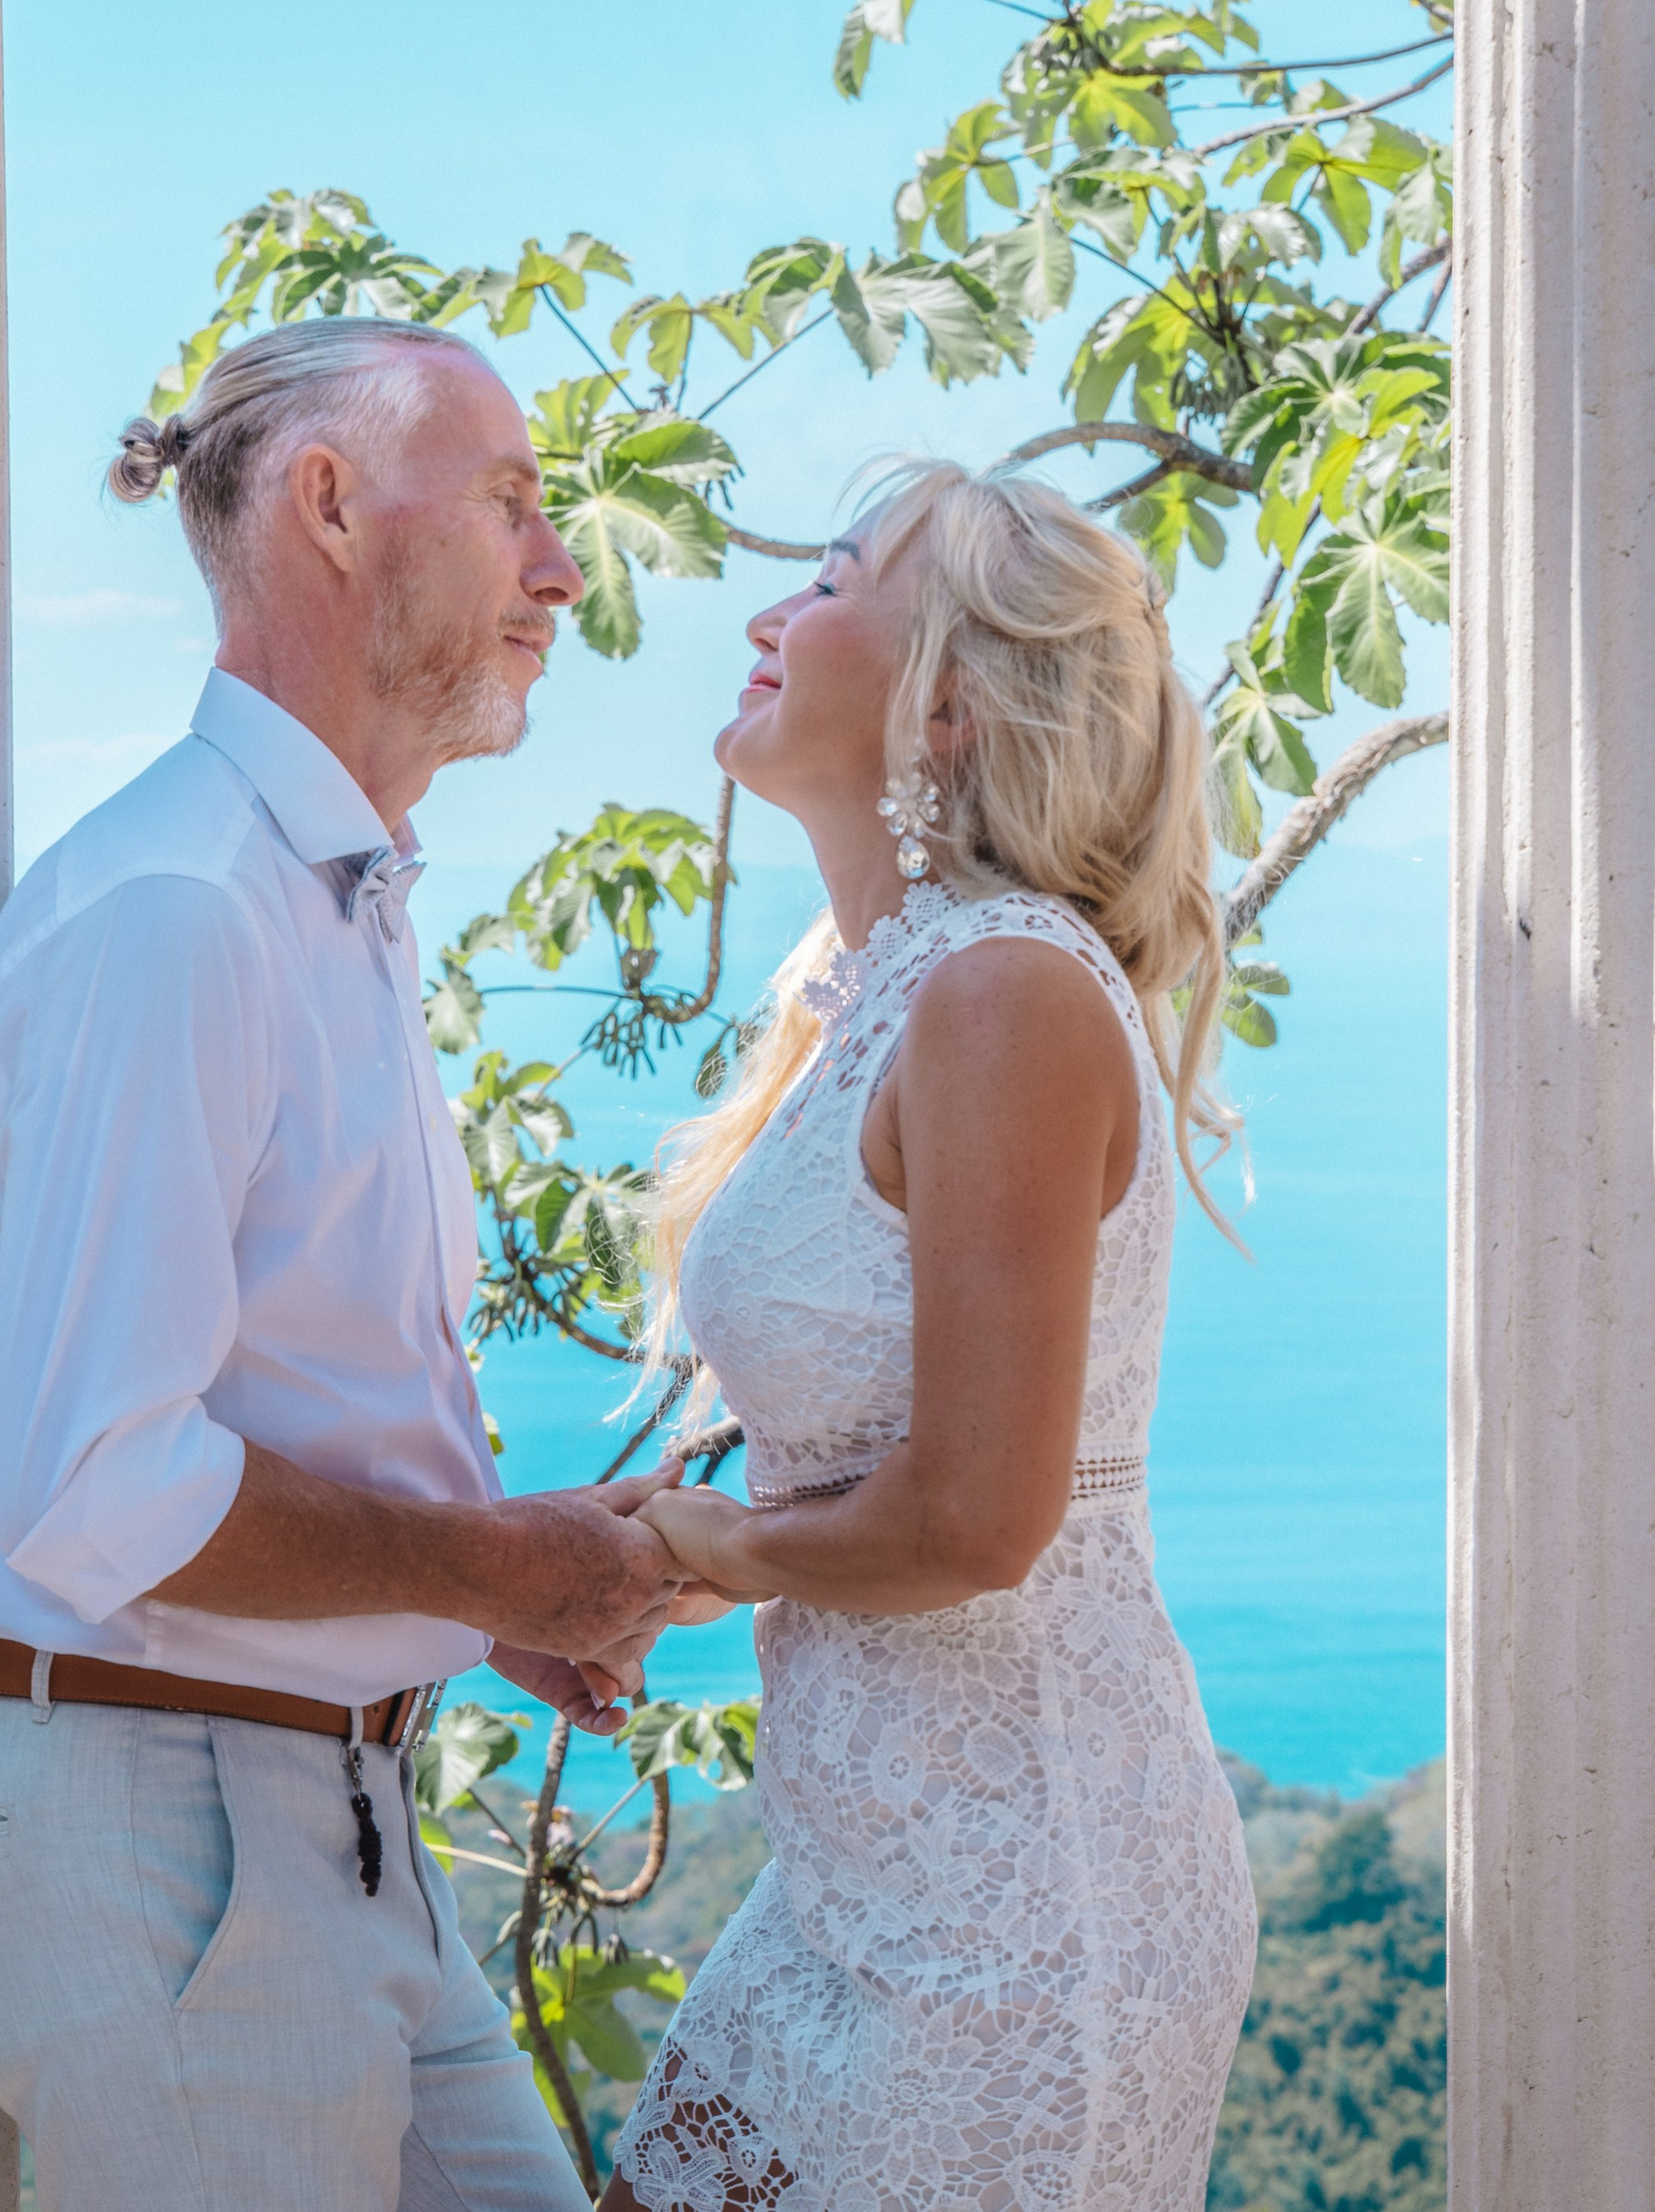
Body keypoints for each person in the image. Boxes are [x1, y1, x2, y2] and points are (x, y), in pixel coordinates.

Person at [0, 317, 688, 2212]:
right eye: (509, 502)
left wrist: (466, 1608)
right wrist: (479, 1563)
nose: (560, 568)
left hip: (316, 1826)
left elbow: (286, 1391)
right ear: (328, 508)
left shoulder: (321, 897)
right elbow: (98, 1482)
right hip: (179, 1852)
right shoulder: (183, 909)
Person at [601, 463, 1261, 2212]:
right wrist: (670, 1544)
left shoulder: (1002, 990)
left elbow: (974, 1519)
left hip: (1026, 1908)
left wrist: (707, 1551)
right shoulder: (879, 988)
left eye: (823, 583)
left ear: (947, 700)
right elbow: (886, 1444)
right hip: (859, 1877)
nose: (764, 616)